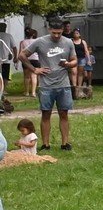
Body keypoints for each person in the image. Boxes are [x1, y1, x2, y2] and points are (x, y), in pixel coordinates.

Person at [24, 18, 77, 151]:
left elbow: (74, 60)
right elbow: (22, 55)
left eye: (59, 33)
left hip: (63, 84)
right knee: (46, 114)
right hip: (46, 85)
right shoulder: (40, 42)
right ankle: (46, 144)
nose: (57, 36)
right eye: (54, 33)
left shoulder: (68, 42)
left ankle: (65, 143)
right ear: (49, 30)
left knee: (64, 114)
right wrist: (35, 69)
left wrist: (68, 64)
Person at [18, 27, 37, 97]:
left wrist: (17, 61)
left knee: (26, 77)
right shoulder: (36, 41)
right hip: (35, 60)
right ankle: (33, 93)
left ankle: (26, 92)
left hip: (26, 60)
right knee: (34, 76)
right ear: (33, 34)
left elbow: (20, 52)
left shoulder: (22, 42)